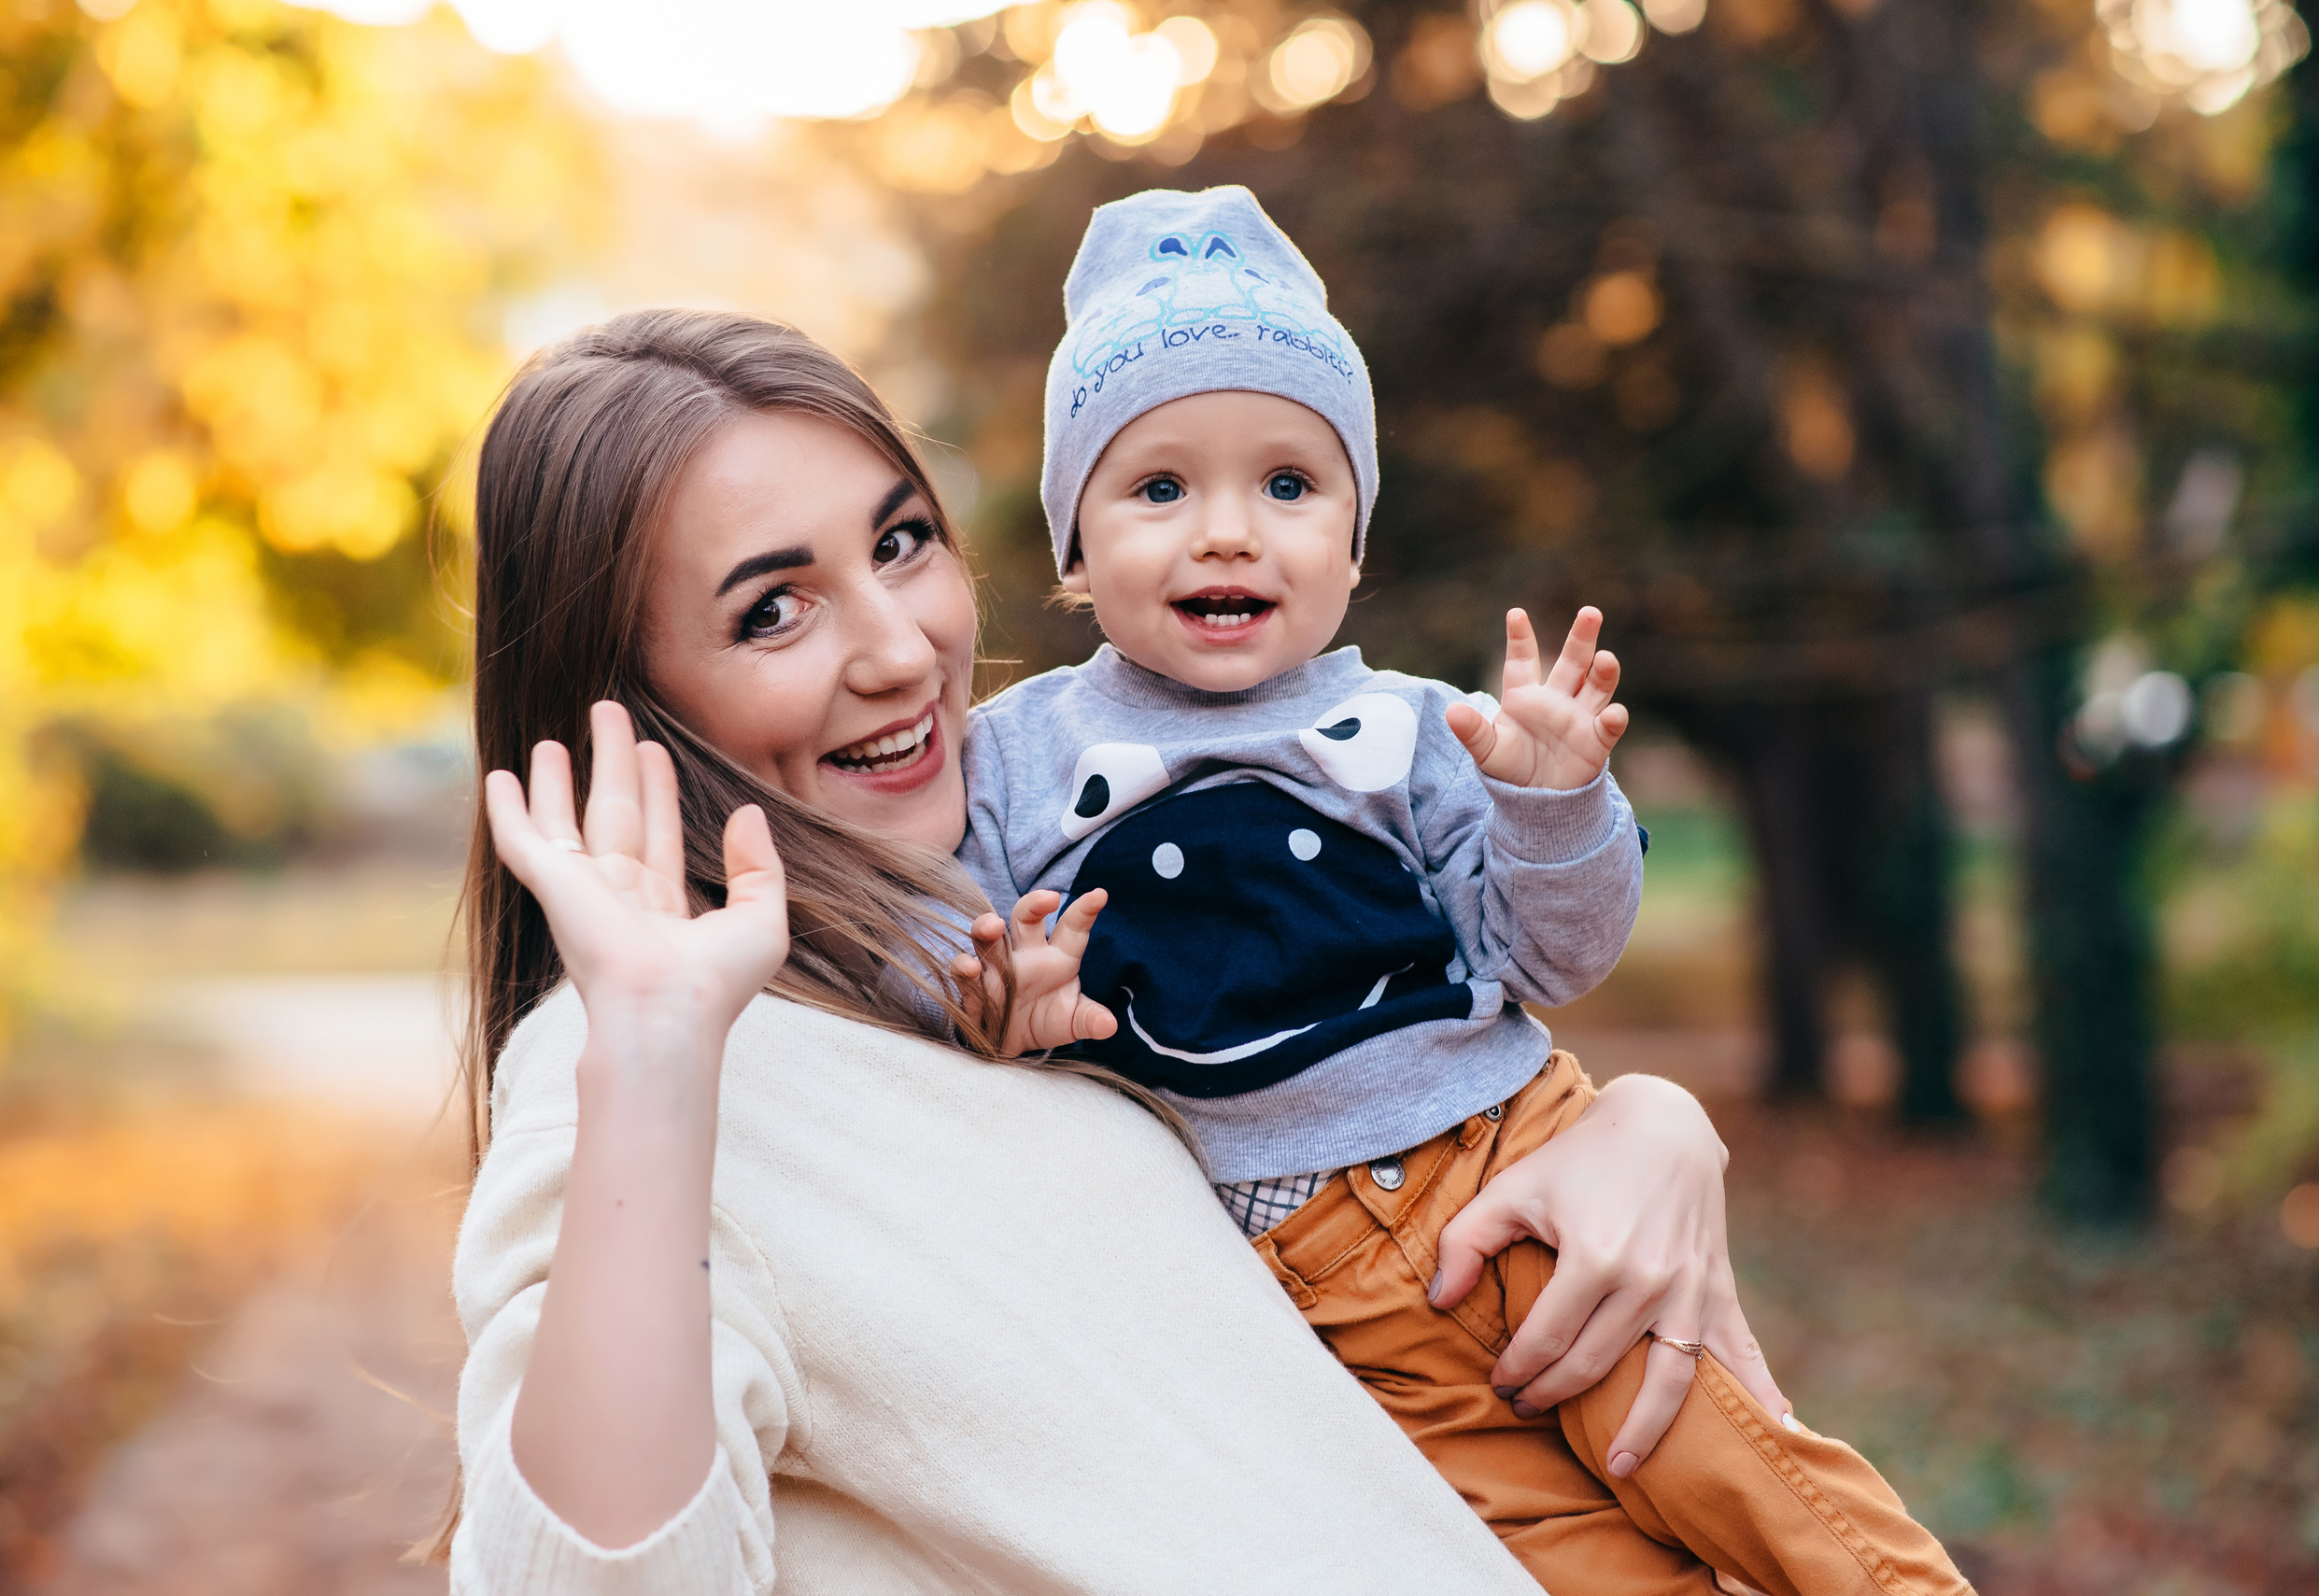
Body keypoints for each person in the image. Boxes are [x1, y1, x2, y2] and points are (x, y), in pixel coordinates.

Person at [446, 306, 1795, 1593]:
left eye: (902, 542)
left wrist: (1646, 1127)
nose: (904, 651)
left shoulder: (1017, 905)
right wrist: (650, 1064)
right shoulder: (644, 1061)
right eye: (772, 611)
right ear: (625, 711)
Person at [954, 187, 1971, 1595]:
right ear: (1075, 540)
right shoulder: (1014, 758)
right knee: (1572, 1570)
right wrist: (997, 1004)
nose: (1229, 533)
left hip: (1517, 1177)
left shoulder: (1420, 727)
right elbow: (923, 955)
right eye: (1160, 487)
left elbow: (1553, 956)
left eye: (1289, 485)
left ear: (1355, 539)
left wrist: (1552, 804)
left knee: (1758, 1486)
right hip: (1321, 1307)